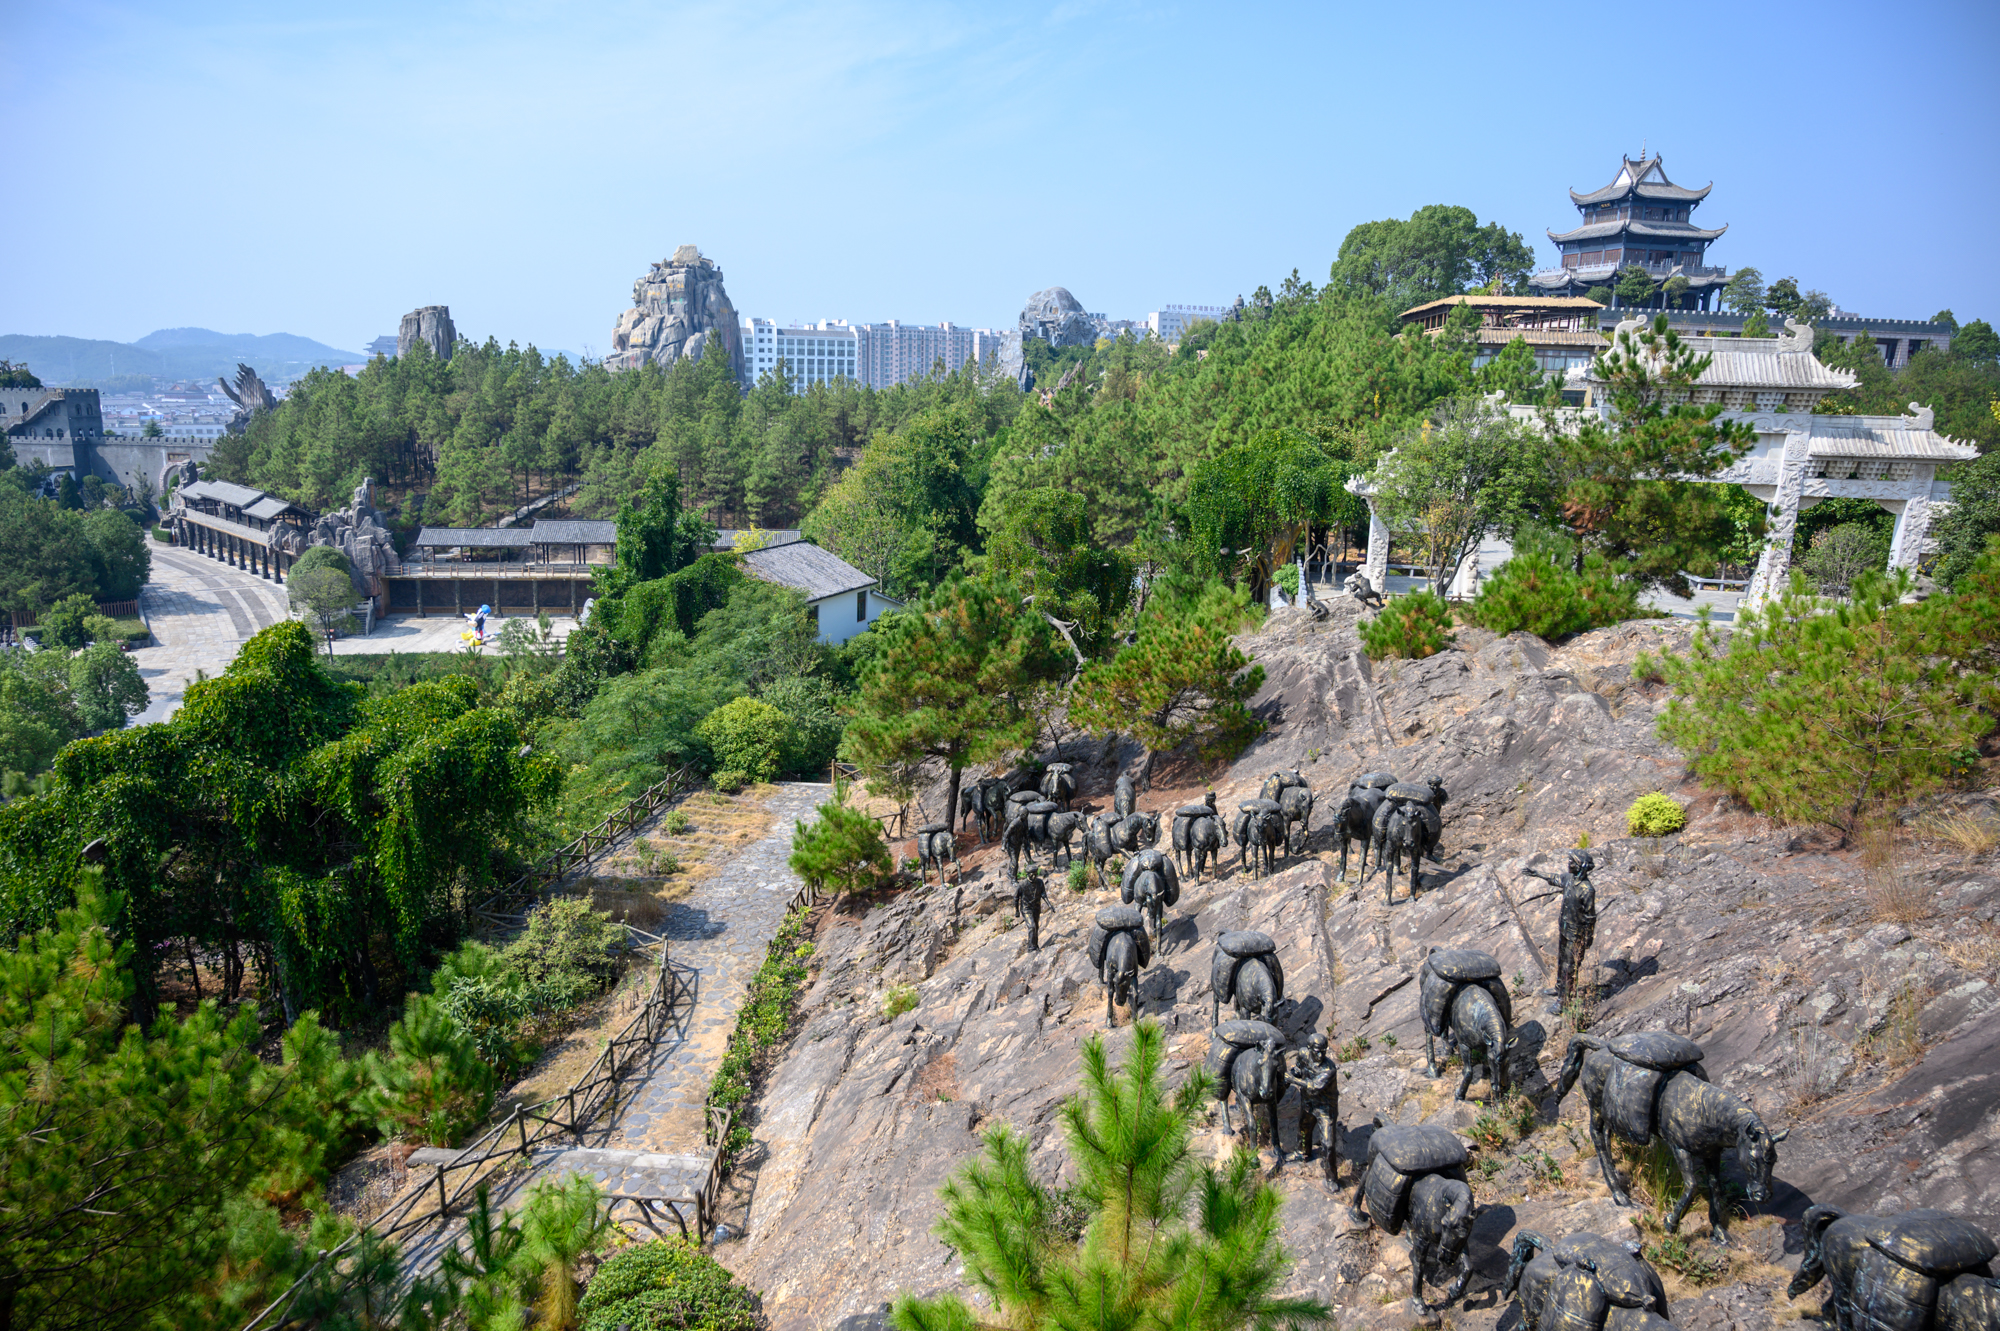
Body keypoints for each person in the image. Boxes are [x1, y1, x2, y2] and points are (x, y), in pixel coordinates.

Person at [1524, 850, 1596, 1015]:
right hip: (1564, 929)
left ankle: (1564, 1001)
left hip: (1576, 934)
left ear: (1580, 866)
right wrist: (1538, 874)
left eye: (1572, 862)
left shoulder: (1587, 889)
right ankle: (1558, 988)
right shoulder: (1569, 879)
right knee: (1561, 961)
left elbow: (1590, 916)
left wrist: (1588, 937)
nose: (1568, 864)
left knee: (1569, 967)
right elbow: (1555, 877)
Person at [1292, 1032, 1341, 1183]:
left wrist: (1292, 1079)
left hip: (1325, 1108)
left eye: (1323, 1051)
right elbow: (1299, 1069)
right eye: (1317, 1051)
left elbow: (1313, 1087)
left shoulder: (1329, 1069)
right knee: (1304, 1128)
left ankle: (1331, 1179)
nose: (1320, 1054)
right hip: (1308, 1103)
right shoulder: (1303, 1054)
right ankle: (1302, 1153)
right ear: (1309, 1048)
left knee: (1328, 1144)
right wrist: (1296, 1073)